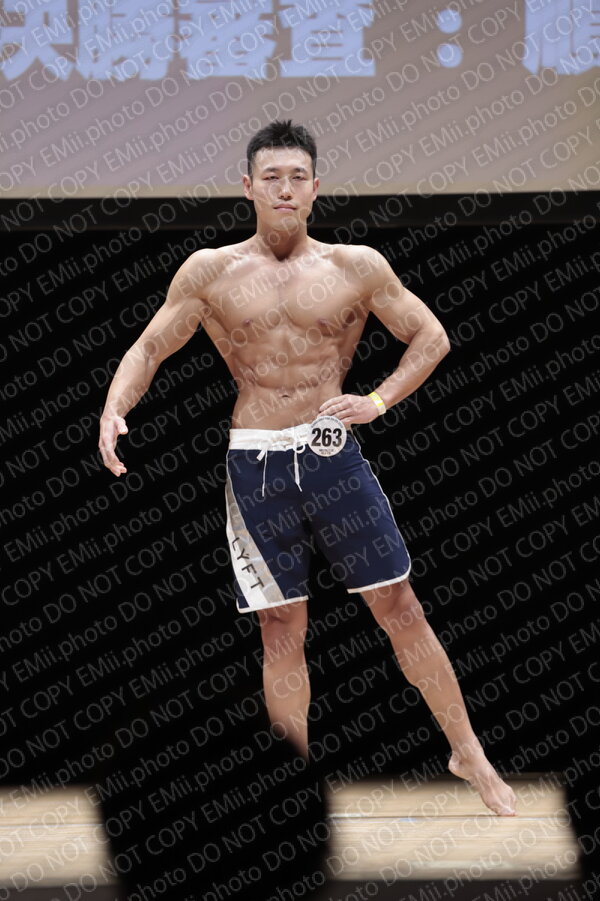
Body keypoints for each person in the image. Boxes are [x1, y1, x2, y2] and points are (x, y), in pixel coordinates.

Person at [99, 120, 517, 816]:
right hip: (256, 462)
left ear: (316, 188)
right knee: (280, 627)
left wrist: (377, 401)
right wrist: (115, 408)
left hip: (329, 453)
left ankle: (468, 751)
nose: (285, 189)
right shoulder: (209, 271)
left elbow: (431, 335)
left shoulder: (356, 266)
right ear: (248, 187)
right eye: (272, 178)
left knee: (400, 605)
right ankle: (287, 790)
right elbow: (148, 348)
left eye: (297, 177)